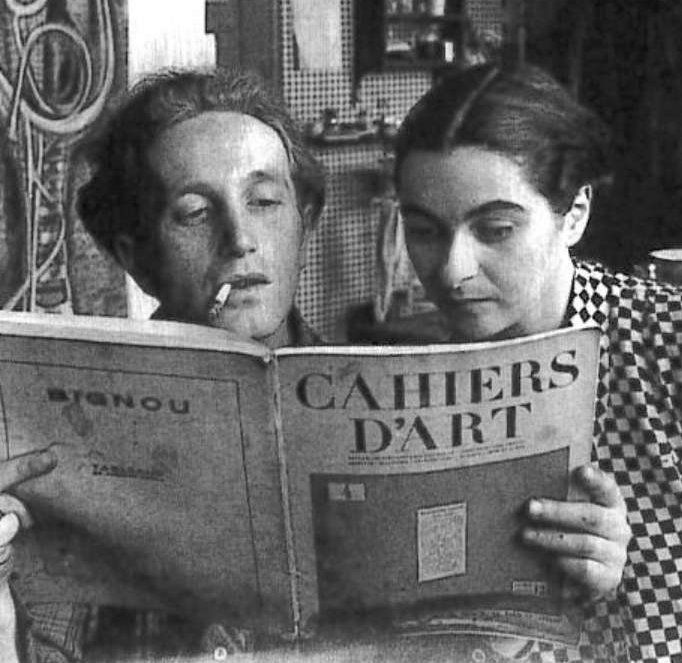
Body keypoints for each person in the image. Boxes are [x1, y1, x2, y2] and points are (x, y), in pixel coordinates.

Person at [0, 66, 626, 662]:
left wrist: (573, 580)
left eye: (264, 201)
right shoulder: (59, 425)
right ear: (136, 256)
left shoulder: (408, 404)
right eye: (194, 213)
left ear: (305, 223)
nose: (239, 239)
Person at [392, 61, 682, 661]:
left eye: (496, 229)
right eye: (425, 232)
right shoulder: (399, 388)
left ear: (575, 214)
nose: (453, 271)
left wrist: (629, 579)